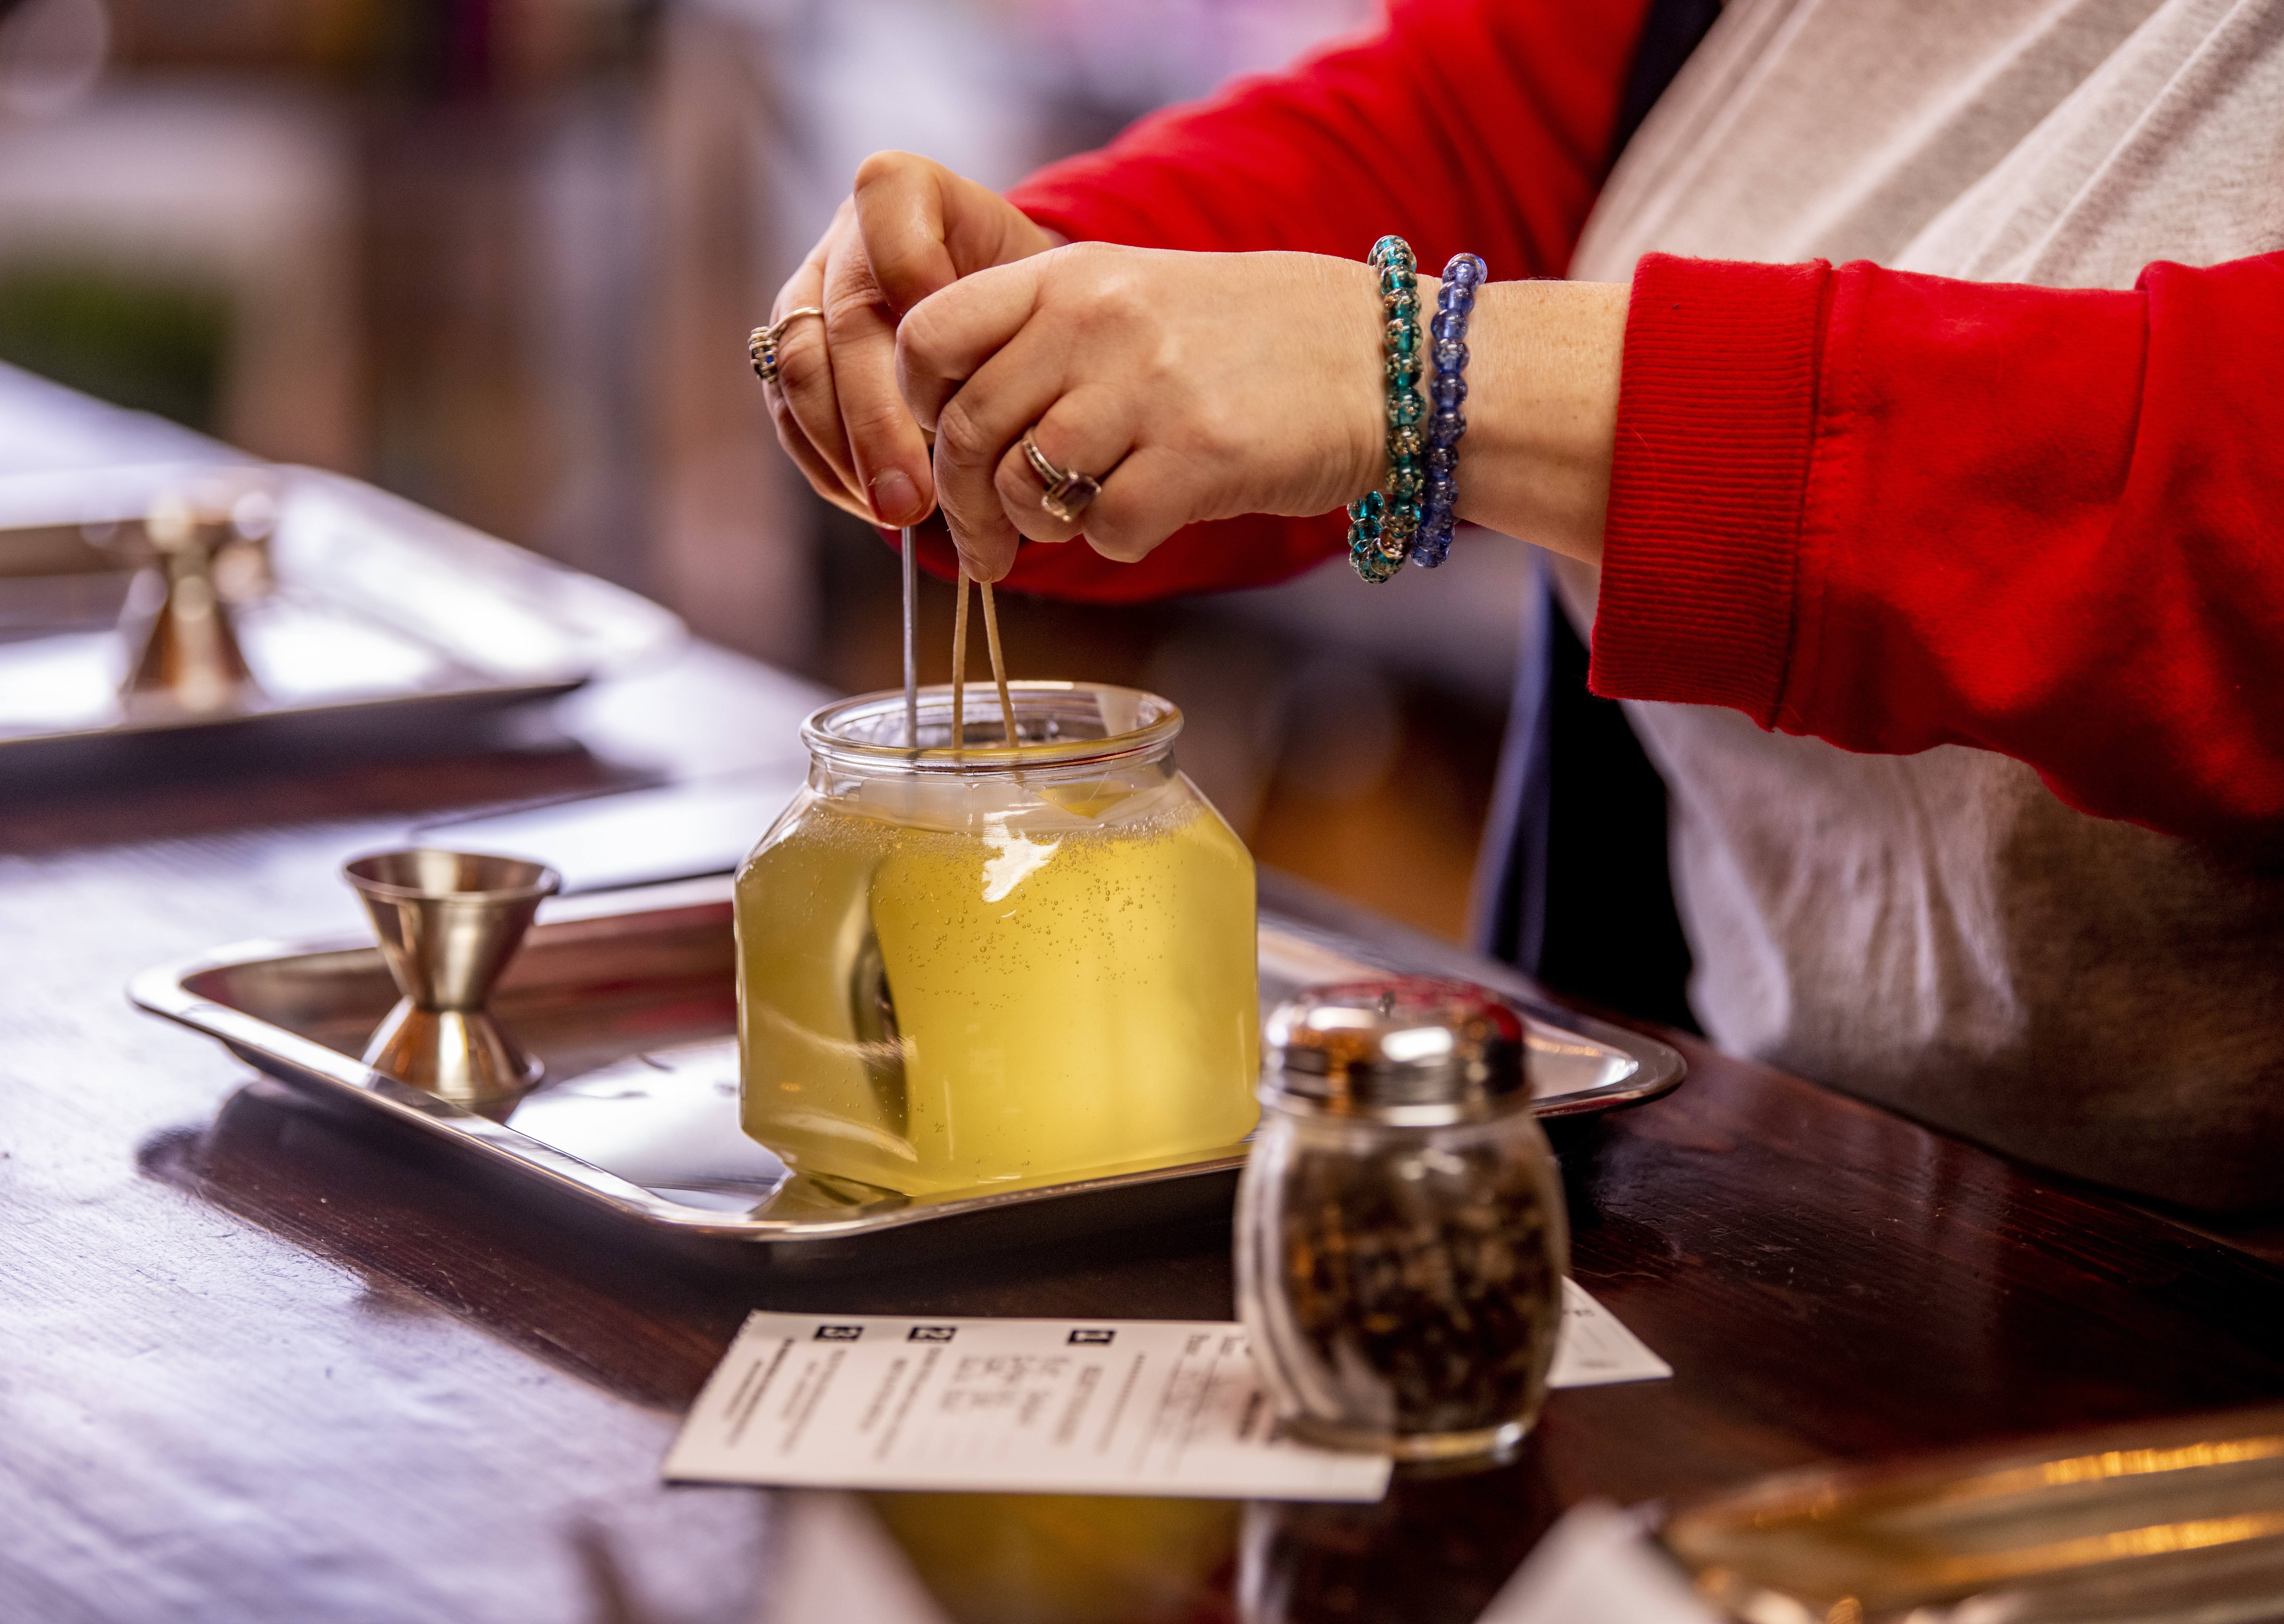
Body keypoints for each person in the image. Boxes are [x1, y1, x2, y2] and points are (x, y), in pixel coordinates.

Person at [756, 0, 2284, 1212]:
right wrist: (1039, 302)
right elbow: (1447, 130)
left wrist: (1418, 372)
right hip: (1812, 1191)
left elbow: (2218, 494)